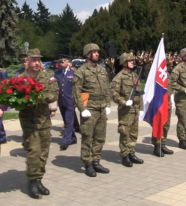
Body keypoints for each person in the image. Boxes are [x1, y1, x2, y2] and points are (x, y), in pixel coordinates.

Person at [18, 48, 58, 199]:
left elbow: (54, 93)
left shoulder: (48, 77)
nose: (36, 63)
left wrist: (37, 96)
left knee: (44, 152)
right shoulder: (21, 78)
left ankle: (39, 179)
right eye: (33, 60)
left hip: (44, 120)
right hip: (29, 121)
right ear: (27, 61)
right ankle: (32, 181)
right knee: (34, 152)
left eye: (38, 60)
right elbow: (16, 97)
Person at [73, 43, 111, 177]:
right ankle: (87, 163)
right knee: (87, 137)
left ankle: (96, 161)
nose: (97, 54)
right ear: (87, 54)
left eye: (97, 52)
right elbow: (77, 92)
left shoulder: (101, 69)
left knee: (100, 137)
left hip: (101, 107)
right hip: (89, 108)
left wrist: (108, 105)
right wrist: (82, 108)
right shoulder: (81, 71)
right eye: (94, 52)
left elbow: (107, 89)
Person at [110, 53, 144, 167]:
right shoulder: (119, 77)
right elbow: (113, 93)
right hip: (125, 110)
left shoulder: (135, 76)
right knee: (125, 133)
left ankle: (131, 152)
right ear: (124, 63)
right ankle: (124, 155)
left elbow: (139, 93)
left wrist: (141, 108)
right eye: (130, 61)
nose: (132, 63)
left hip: (134, 109)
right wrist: (124, 102)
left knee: (134, 133)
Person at [170, 47, 186, 150]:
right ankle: (181, 140)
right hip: (181, 99)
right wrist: (183, 89)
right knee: (182, 120)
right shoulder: (177, 69)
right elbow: (172, 83)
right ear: (184, 56)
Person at [152, 54, 175, 157]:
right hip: (159, 103)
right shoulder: (155, 74)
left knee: (166, 124)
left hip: (167, 103)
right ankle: (157, 146)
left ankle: (163, 143)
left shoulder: (167, 74)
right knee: (159, 124)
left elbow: (169, 89)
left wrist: (172, 100)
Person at [54, 58, 77, 150]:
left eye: (63, 61)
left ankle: (65, 141)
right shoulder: (57, 74)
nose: (61, 63)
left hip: (70, 101)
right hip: (61, 101)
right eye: (60, 61)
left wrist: (76, 100)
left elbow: (77, 88)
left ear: (68, 62)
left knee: (68, 121)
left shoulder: (73, 73)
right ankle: (73, 138)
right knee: (66, 121)